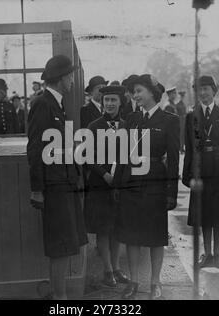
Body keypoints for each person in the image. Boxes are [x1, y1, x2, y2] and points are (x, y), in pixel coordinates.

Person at [114, 74, 179, 300]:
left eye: (139, 90)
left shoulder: (169, 120)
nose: (135, 95)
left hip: (155, 184)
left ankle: (155, 282)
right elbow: (123, 155)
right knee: (132, 235)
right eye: (134, 92)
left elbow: (173, 159)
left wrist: (172, 193)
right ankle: (134, 281)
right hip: (131, 183)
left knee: (155, 235)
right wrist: (117, 186)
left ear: (152, 93)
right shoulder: (130, 119)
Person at [27, 55, 88, 300]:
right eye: (70, 76)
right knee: (59, 247)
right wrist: (37, 189)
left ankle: (58, 295)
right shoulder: (43, 104)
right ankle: (59, 299)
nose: (73, 80)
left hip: (63, 183)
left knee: (64, 245)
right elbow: (35, 149)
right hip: (53, 186)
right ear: (61, 78)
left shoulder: (56, 104)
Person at [182, 75, 219, 269]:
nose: (203, 93)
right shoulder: (191, 116)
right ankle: (206, 254)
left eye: (206, 89)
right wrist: (186, 173)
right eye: (199, 89)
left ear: (214, 91)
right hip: (200, 171)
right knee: (204, 214)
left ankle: (217, 254)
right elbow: (189, 146)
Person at [85, 85, 129, 287]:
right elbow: (88, 157)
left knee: (117, 227)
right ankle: (107, 270)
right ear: (102, 103)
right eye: (106, 100)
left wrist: (119, 179)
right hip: (99, 184)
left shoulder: (126, 126)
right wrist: (104, 175)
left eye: (113, 100)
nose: (110, 104)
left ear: (120, 102)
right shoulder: (94, 126)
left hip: (119, 186)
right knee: (103, 229)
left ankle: (117, 268)